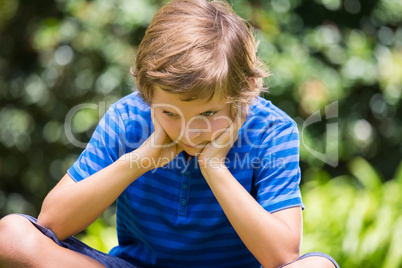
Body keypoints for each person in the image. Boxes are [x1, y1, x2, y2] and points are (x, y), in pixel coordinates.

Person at [0, 0, 340, 267]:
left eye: (208, 113)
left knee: (316, 266)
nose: (190, 131)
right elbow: (51, 223)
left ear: (246, 91)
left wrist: (214, 168)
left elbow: (282, 256)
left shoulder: (271, 131)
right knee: (12, 236)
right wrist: (140, 160)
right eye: (170, 114)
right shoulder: (129, 117)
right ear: (147, 93)